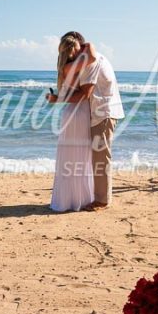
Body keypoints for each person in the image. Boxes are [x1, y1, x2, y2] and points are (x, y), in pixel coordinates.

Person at [48, 31, 124, 210]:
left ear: (80, 47)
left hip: (104, 111)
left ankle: (102, 201)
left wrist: (57, 99)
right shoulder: (87, 58)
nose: (72, 57)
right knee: (96, 156)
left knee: (101, 157)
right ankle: (94, 196)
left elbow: (85, 94)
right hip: (99, 111)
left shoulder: (92, 61)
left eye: (72, 52)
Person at [48, 34, 96, 212]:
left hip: (68, 112)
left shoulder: (64, 68)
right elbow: (92, 56)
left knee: (69, 156)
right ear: (73, 50)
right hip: (80, 111)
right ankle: (81, 199)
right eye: (78, 48)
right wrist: (86, 44)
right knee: (81, 156)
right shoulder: (75, 67)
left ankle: (66, 199)